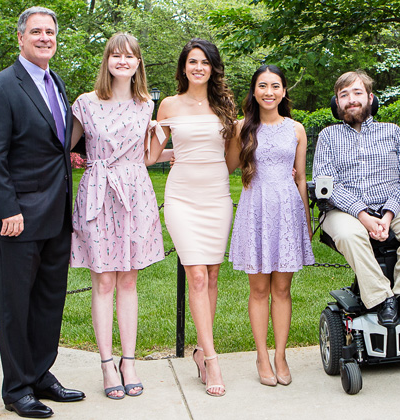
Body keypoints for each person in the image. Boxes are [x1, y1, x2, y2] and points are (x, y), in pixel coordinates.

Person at [0, 7, 84, 418]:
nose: (44, 37)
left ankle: (41, 375)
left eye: (50, 32)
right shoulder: (0, 86)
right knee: (15, 305)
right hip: (16, 217)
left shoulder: (56, 81)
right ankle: (17, 388)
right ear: (20, 38)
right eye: (36, 31)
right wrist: (7, 209)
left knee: (48, 301)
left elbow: (53, 142)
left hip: (56, 214)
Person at [68, 32, 165, 400]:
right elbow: (64, 147)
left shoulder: (145, 105)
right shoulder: (86, 103)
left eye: (130, 56)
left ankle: (129, 361)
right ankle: (106, 363)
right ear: (106, 61)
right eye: (116, 55)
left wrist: (166, 138)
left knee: (128, 281)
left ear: (138, 63)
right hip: (97, 192)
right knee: (103, 281)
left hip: (135, 194)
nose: (123, 61)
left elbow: (147, 157)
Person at [146, 38, 237, 397]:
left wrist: (207, 165)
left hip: (216, 195)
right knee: (196, 275)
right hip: (181, 196)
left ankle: (200, 350)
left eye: (205, 62)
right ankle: (212, 359)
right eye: (192, 62)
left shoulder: (224, 105)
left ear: (213, 67)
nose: (198, 67)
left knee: (212, 275)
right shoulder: (168, 104)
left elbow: (230, 159)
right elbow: (152, 155)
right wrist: (153, 135)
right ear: (183, 67)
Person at [312, 70, 400, 327]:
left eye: (357, 93)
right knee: (349, 234)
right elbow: (327, 185)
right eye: (344, 95)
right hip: (342, 210)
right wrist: (363, 216)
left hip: (394, 205)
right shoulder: (328, 137)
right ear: (337, 103)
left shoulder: (393, 132)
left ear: (370, 98)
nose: (351, 100)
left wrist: (388, 214)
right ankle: (381, 298)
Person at [226, 65, 315, 387]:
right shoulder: (242, 128)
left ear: (283, 91)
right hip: (256, 208)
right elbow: (228, 165)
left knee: (282, 290)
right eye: (262, 86)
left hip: (288, 210)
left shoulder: (296, 129)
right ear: (254, 91)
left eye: (275, 86)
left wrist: (305, 219)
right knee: (259, 290)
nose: (268, 91)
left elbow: (301, 177)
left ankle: (280, 354)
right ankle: (261, 355)